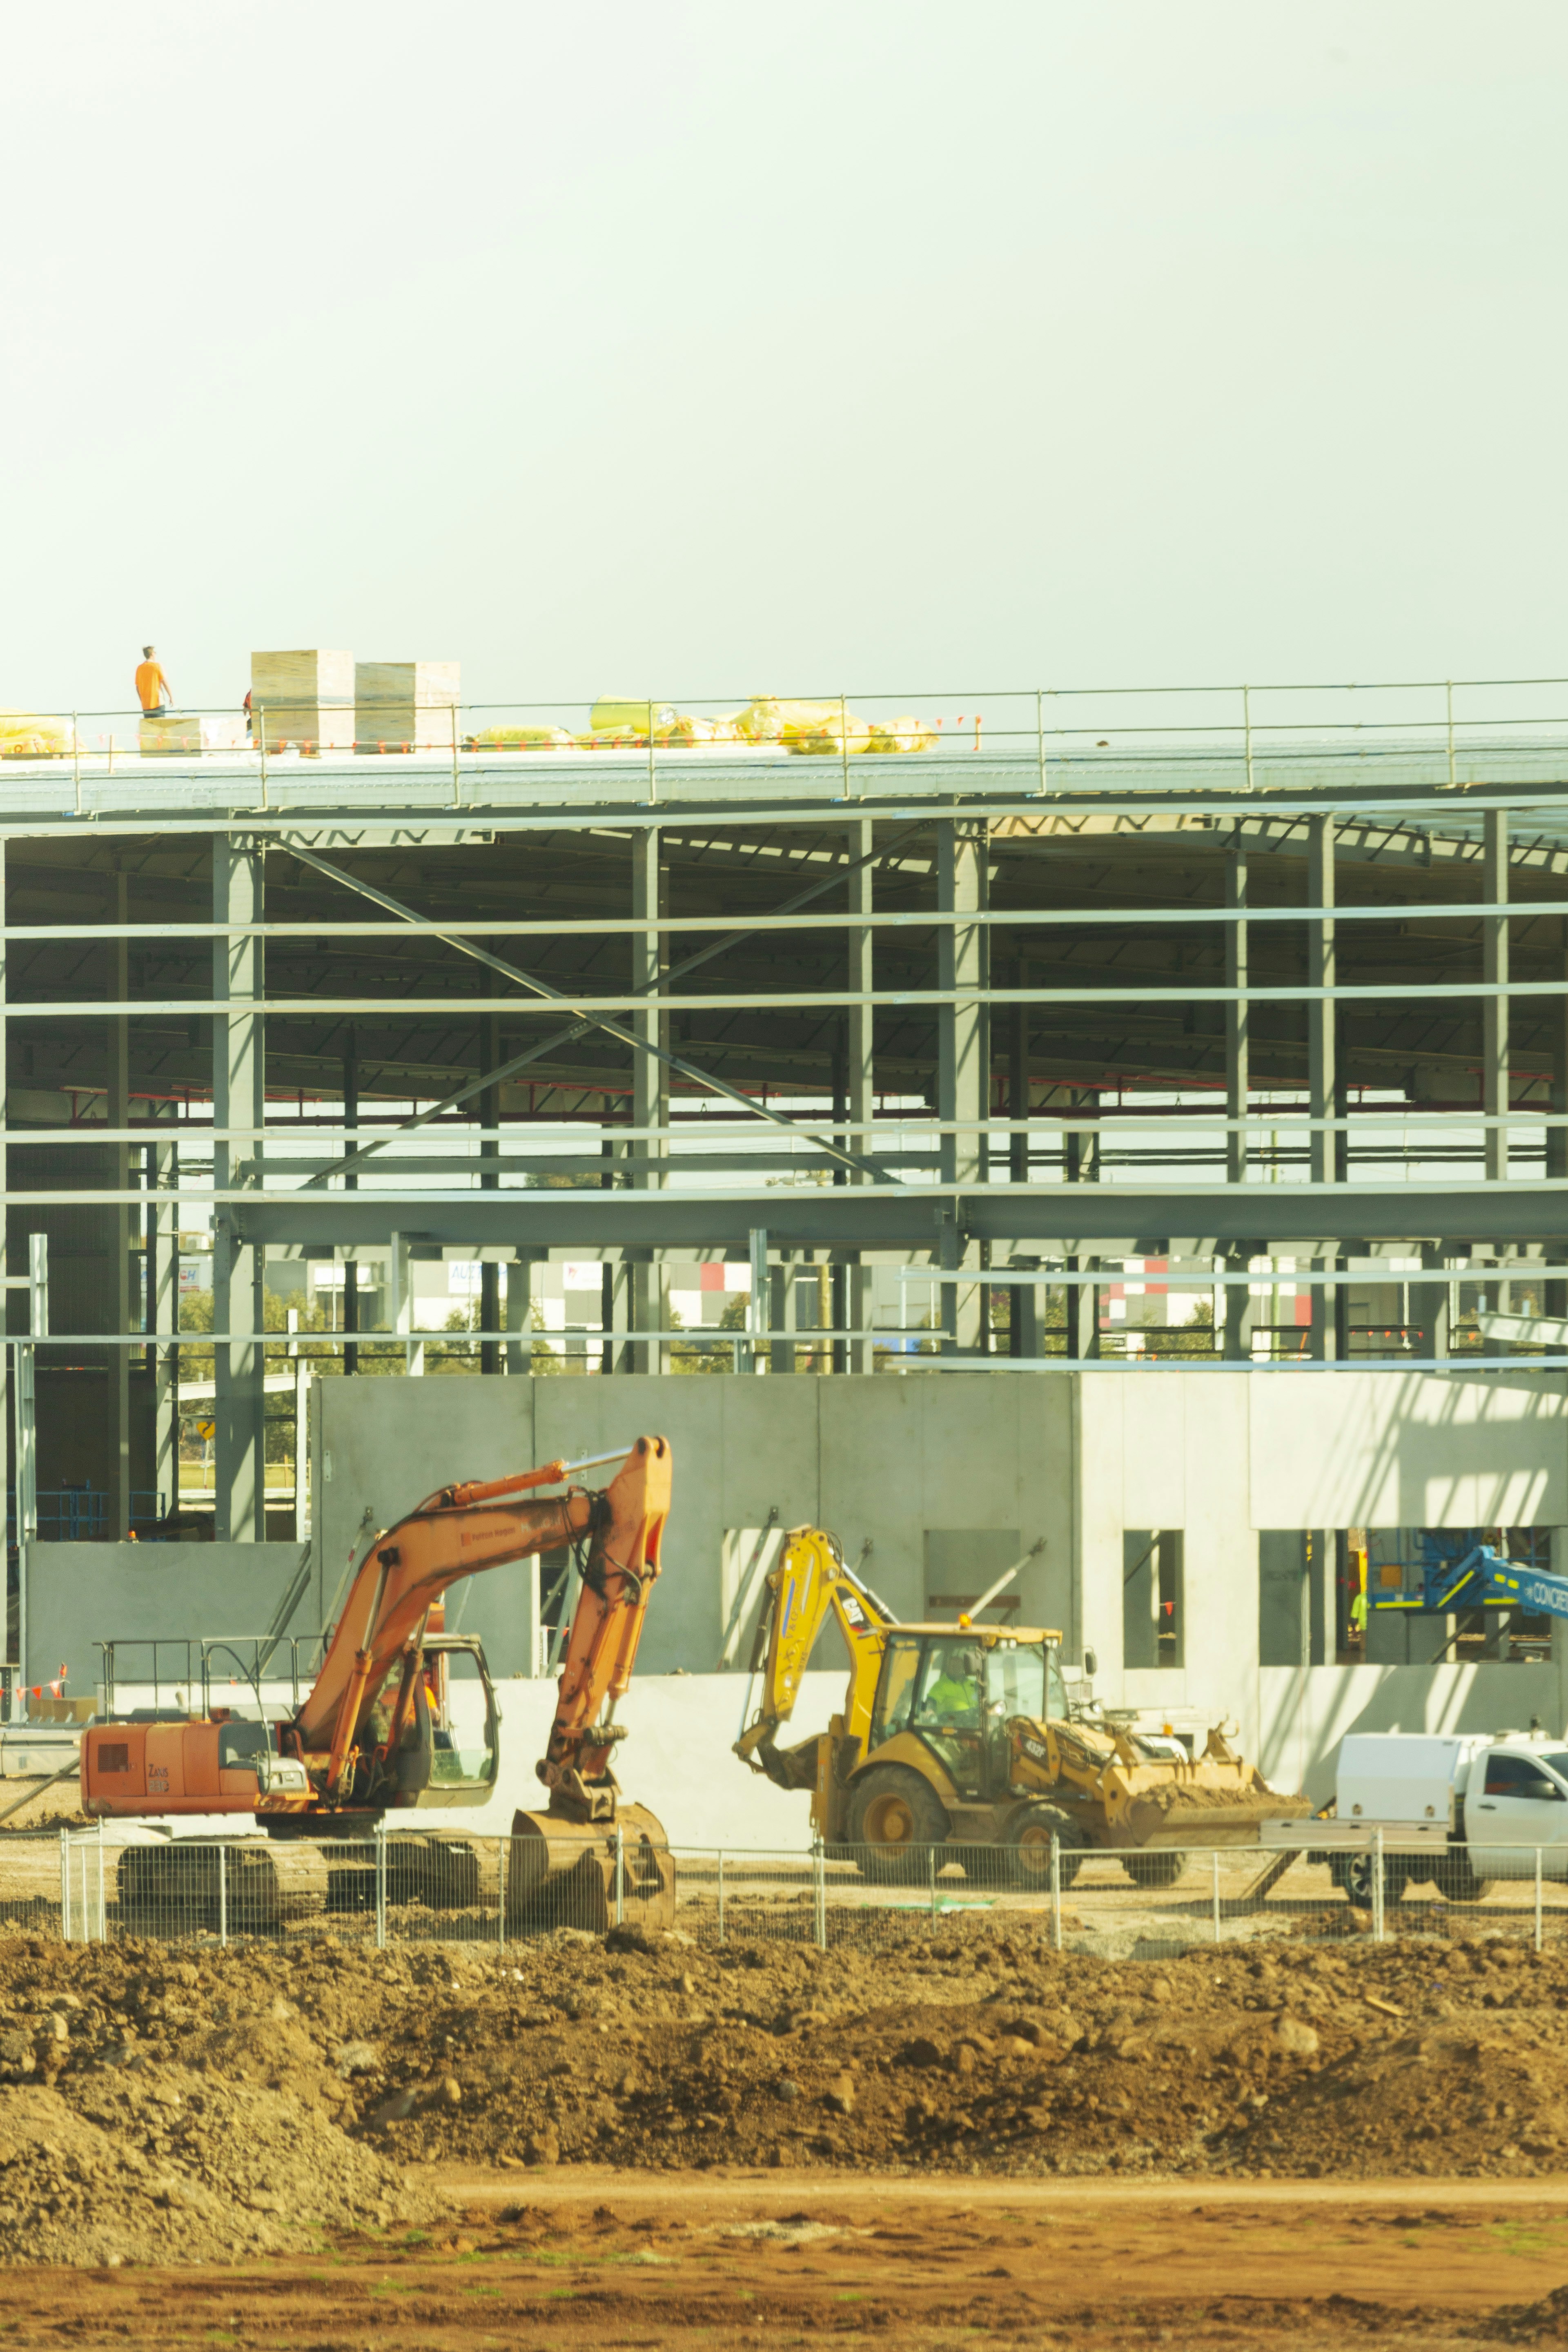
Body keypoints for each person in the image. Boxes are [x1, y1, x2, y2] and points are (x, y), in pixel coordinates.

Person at [923, 1645, 984, 1723]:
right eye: (953, 1666)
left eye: (959, 1666)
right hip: (952, 1723)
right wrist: (930, 1710)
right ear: (948, 1667)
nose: (956, 1668)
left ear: (963, 1668)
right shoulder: (941, 1685)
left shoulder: (974, 1684)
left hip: (975, 1722)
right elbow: (931, 1701)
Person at [134, 645, 172, 716]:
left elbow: (137, 687)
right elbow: (165, 682)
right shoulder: (157, 666)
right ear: (152, 654)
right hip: (158, 703)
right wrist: (171, 697)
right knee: (160, 725)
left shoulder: (140, 668)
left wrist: (142, 700)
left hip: (146, 705)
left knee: (149, 726)